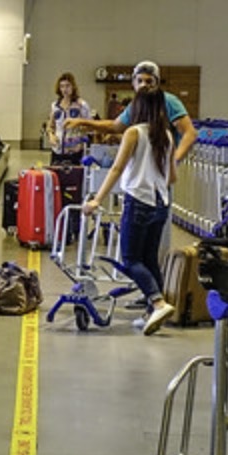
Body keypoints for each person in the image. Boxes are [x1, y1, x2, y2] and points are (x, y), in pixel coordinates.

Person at [81, 84, 177, 336]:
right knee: (149, 259)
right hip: (161, 203)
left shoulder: (134, 133)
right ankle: (152, 310)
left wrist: (96, 200)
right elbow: (172, 175)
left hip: (138, 201)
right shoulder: (166, 134)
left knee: (131, 259)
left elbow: (117, 168)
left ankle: (158, 303)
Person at [66, 61, 198, 166]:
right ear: (133, 83)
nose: (143, 85)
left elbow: (190, 133)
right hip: (140, 164)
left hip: (160, 165)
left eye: (149, 81)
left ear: (157, 83)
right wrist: (83, 122)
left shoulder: (168, 101)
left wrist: (175, 160)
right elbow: (115, 126)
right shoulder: (135, 106)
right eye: (139, 81)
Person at [48, 72, 92, 165]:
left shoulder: (81, 105)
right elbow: (50, 126)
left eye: (67, 86)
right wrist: (51, 136)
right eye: (62, 86)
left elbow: (90, 126)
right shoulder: (55, 106)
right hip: (57, 150)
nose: (65, 89)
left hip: (75, 152)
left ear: (73, 87)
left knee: (73, 178)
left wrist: (80, 129)